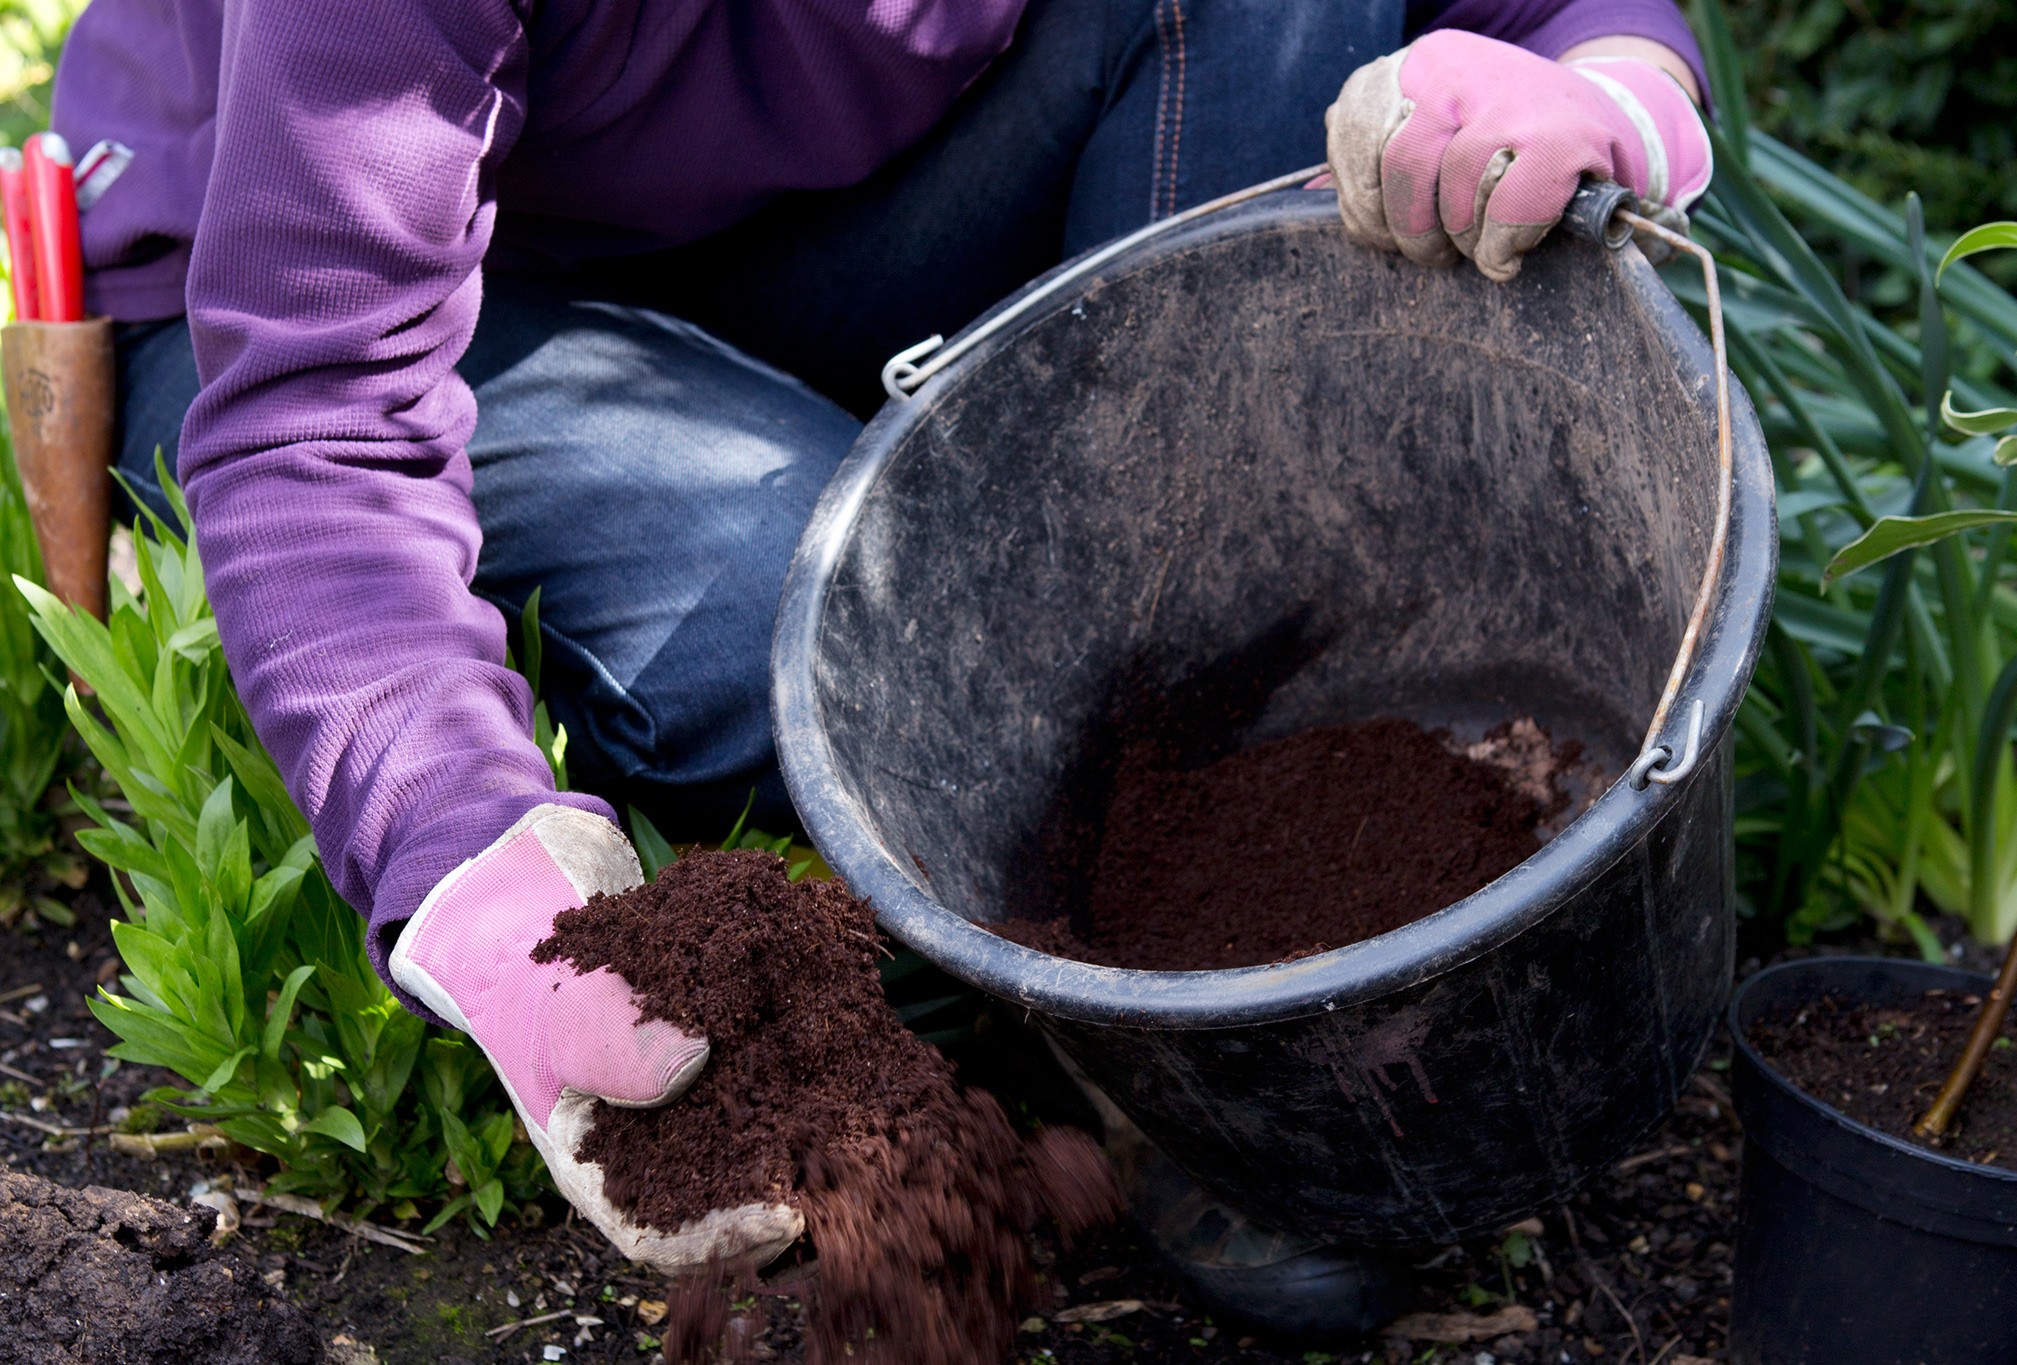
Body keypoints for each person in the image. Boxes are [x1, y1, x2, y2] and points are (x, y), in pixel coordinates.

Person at [52, 0, 1711, 1283]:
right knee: (854, 629)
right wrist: (471, 853)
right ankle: (1099, 999)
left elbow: (1557, 10)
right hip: (363, 298)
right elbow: (321, 417)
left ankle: (1210, 856)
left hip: (819, 212)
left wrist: (1604, 73)